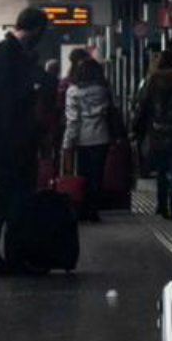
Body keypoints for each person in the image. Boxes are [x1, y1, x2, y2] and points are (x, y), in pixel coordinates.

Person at [0, 7, 50, 276]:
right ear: (39, 29)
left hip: (7, 143)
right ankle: (6, 254)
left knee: (5, 198)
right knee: (12, 200)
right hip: (8, 146)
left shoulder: (7, 53)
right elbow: (8, 103)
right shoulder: (8, 55)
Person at [133, 49, 172, 220]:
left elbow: (143, 106)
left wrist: (136, 129)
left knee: (161, 171)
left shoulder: (153, 81)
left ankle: (162, 206)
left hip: (158, 131)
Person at [62, 58, 113, 222]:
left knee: (82, 175)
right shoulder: (103, 90)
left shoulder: (73, 91)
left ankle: (82, 209)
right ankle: (94, 210)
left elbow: (73, 119)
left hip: (81, 139)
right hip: (101, 137)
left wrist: (68, 141)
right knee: (96, 175)